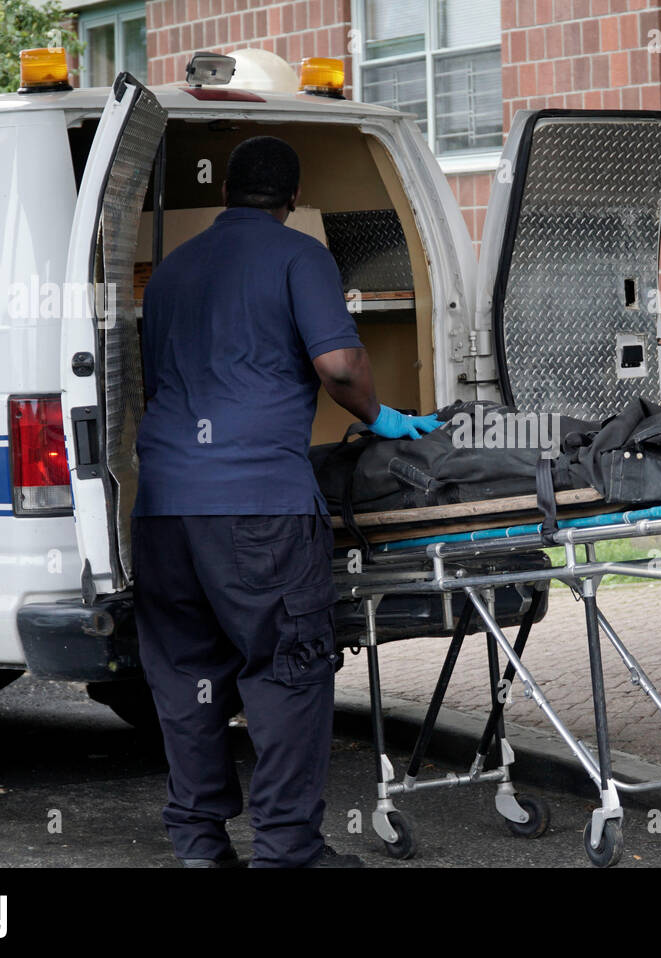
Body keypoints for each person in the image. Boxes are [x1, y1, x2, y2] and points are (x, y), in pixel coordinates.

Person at [132, 135, 439, 868]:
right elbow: (337, 363)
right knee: (287, 672)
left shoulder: (170, 274)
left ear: (228, 193)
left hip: (165, 511)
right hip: (259, 511)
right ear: (292, 199)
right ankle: (288, 851)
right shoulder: (301, 257)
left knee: (188, 679)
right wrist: (382, 416)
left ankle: (201, 844)